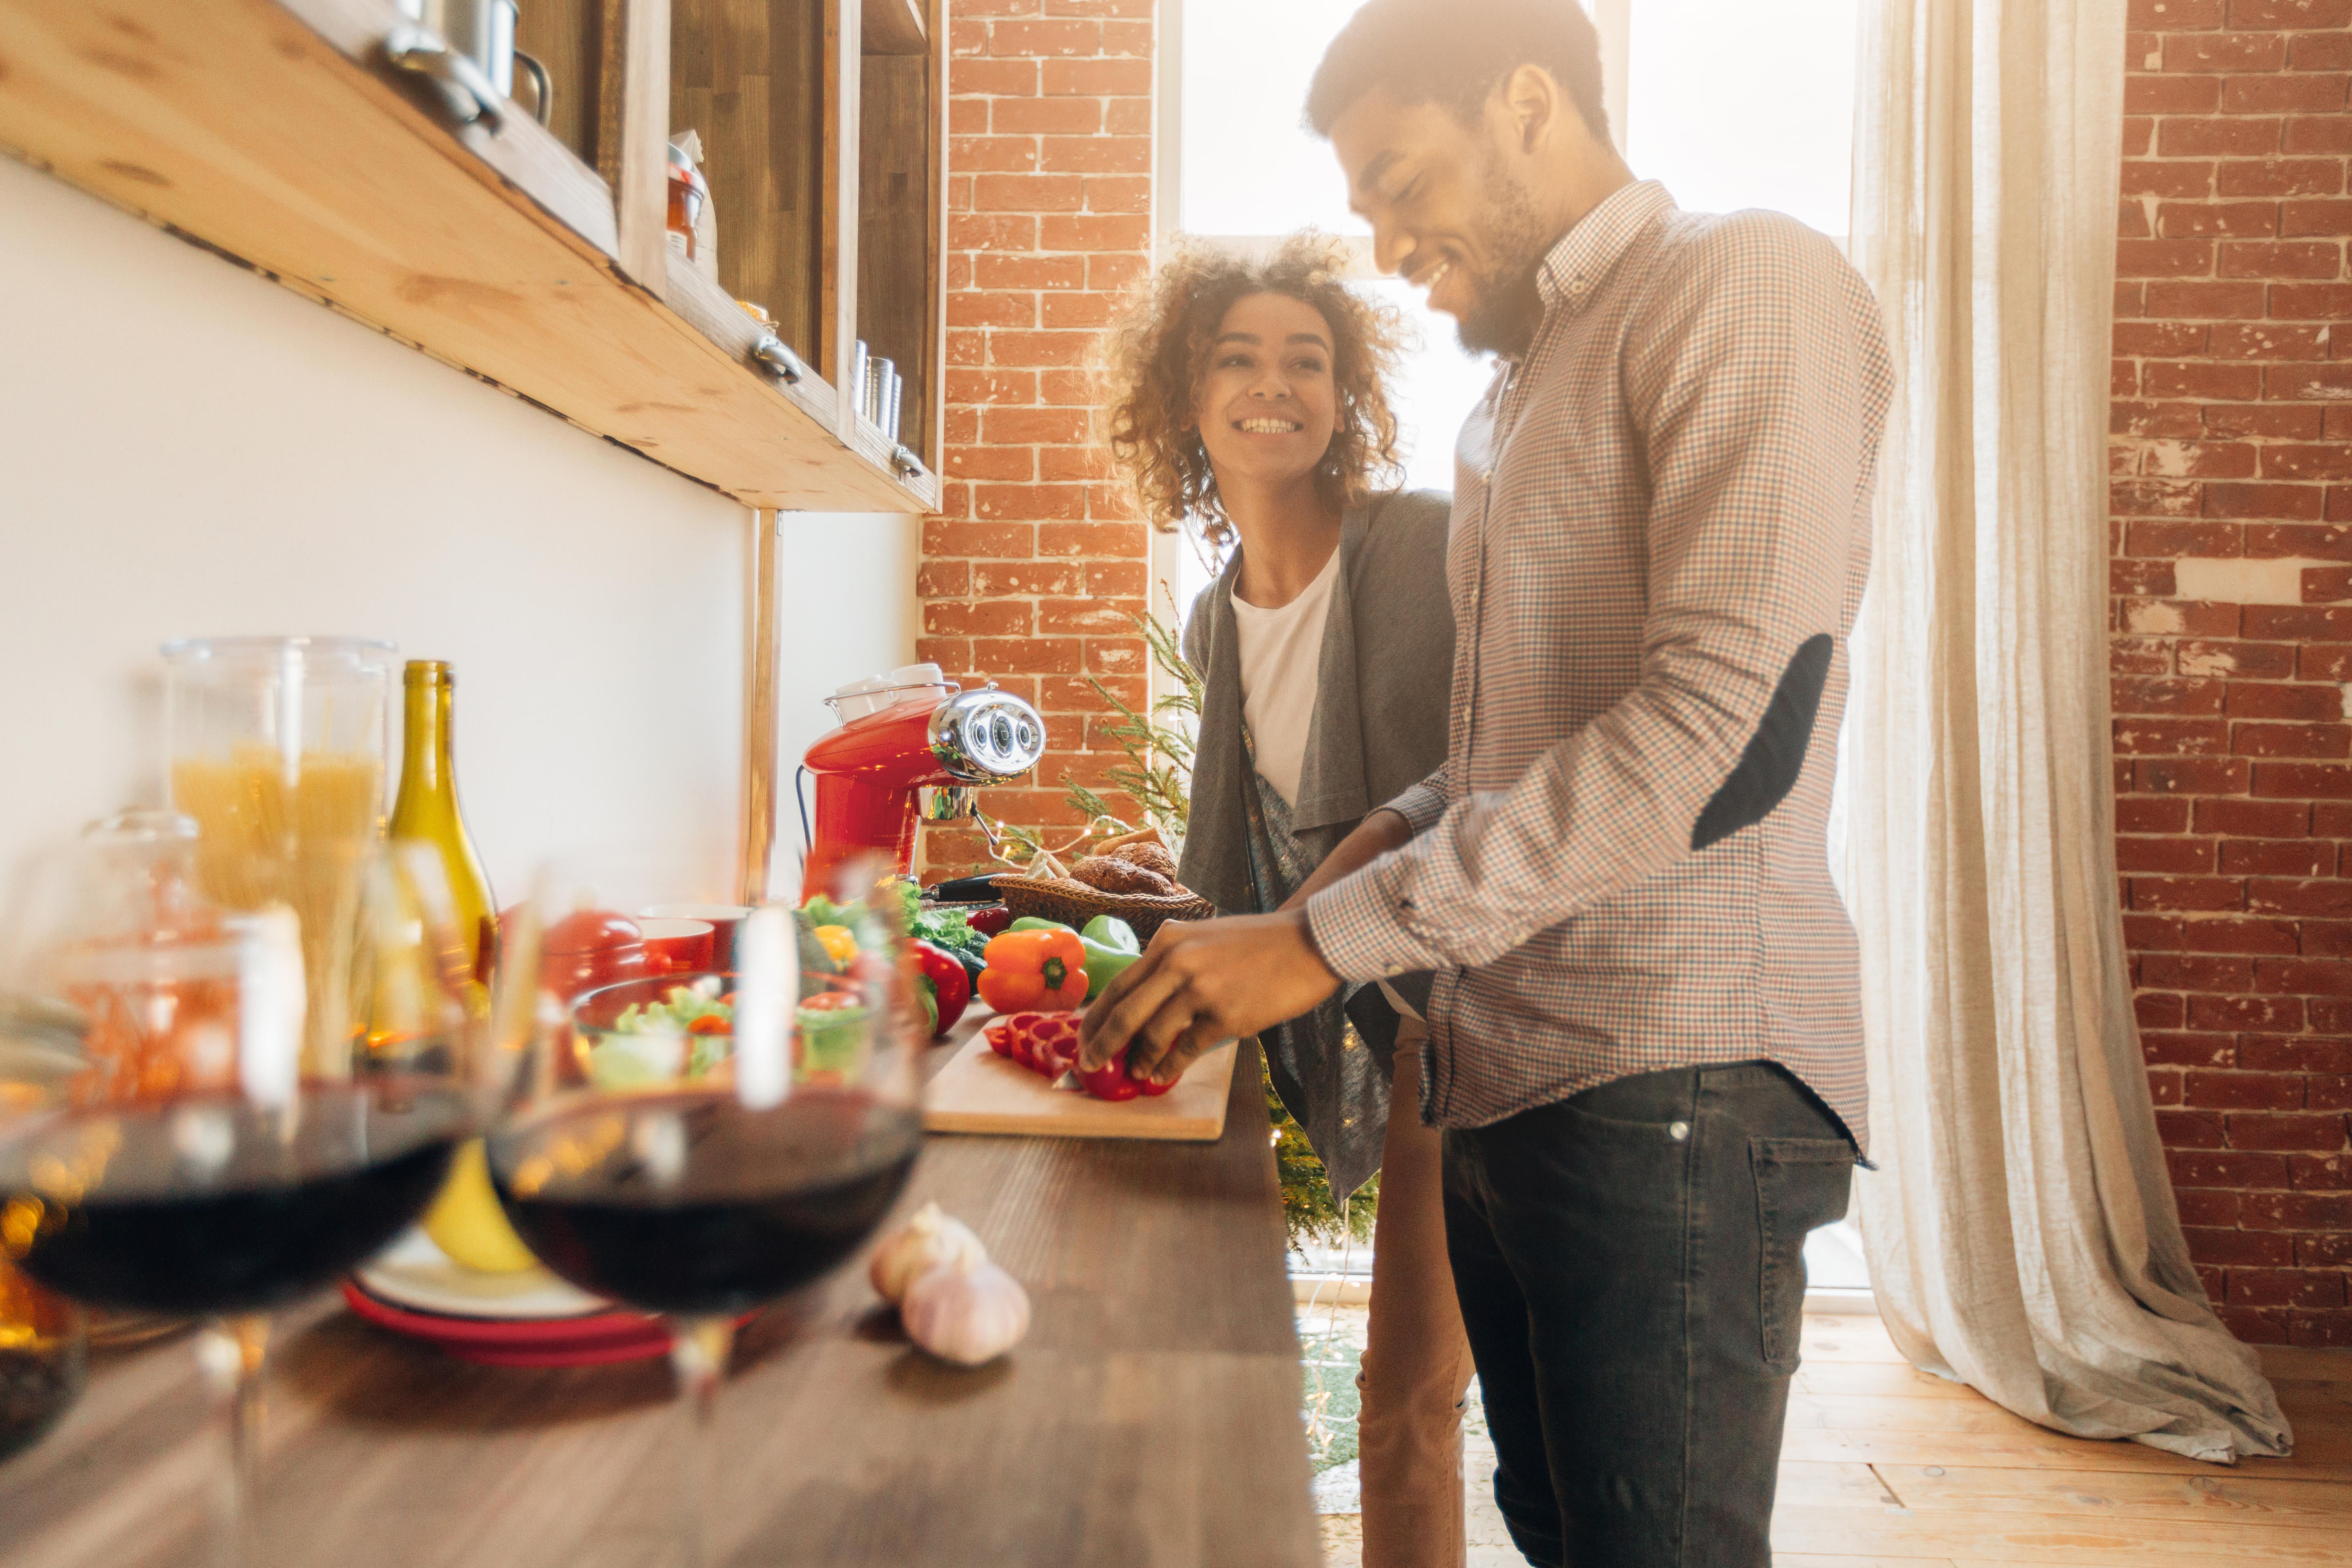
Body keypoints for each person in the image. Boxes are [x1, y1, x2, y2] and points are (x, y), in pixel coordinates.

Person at [1080, 2, 1893, 1564]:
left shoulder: (1742, 278)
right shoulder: (1519, 391)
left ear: (1526, 102)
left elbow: (1725, 731)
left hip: (1676, 1075)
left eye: (1400, 179)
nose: (1385, 245)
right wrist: (1360, 860)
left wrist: (1317, 940)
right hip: (1513, 1071)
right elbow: (1509, 758)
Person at [1098, 235, 1474, 1568]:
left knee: (1406, 1404)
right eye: (1238, 359)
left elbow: (1470, 783)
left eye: (1307, 360)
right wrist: (1162, 886)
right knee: (1402, 1402)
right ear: (1185, 398)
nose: (1276, 385)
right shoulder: (1216, 618)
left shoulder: (1421, 543)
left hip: (1476, 1019)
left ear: (1346, 392)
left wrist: (1292, 922)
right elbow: (1259, 837)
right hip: (1387, 1005)